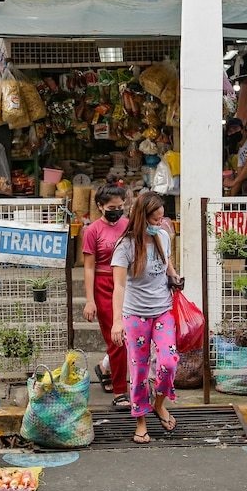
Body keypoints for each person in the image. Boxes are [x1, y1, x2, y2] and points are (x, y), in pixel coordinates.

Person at [110, 192, 183, 444]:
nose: (160, 224)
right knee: (139, 370)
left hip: (163, 310)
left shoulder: (163, 235)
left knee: (169, 362)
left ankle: (159, 404)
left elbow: (167, 262)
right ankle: (140, 420)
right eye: (155, 220)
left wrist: (174, 276)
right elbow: (118, 287)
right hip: (135, 315)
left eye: (162, 219)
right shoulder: (125, 246)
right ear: (142, 218)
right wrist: (117, 321)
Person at [82, 182, 130, 409]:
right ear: (100, 206)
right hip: (103, 286)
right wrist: (90, 300)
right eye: (112, 206)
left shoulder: (128, 225)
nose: (117, 210)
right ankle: (121, 391)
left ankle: (104, 367)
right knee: (117, 339)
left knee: (131, 336)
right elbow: (89, 267)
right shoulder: (92, 231)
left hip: (128, 285)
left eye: (121, 206)